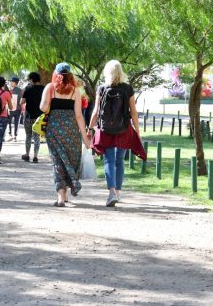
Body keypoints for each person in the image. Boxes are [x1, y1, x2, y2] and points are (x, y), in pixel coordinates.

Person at [89, 60, 142, 207]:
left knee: (109, 160)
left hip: (105, 129)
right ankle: (117, 193)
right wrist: (137, 131)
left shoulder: (102, 88)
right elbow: (134, 112)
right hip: (123, 128)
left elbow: (96, 111)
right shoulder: (127, 88)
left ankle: (111, 192)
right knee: (119, 160)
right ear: (120, 71)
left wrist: (90, 128)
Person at [40, 63, 92, 207]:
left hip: (54, 130)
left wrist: (49, 100)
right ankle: (66, 194)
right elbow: (79, 116)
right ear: (70, 75)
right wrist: (86, 139)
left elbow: (43, 108)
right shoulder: (75, 91)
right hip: (72, 131)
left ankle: (61, 198)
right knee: (70, 159)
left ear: (56, 74)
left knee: (58, 161)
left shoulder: (50, 88)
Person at [20, 72, 45, 163]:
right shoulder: (43, 89)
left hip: (28, 116)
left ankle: (27, 154)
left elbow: (21, 102)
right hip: (39, 117)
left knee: (28, 136)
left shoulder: (28, 88)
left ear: (31, 79)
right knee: (37, 137)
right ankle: (35, 156)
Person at [7, 77, 23, 141]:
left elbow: (21, 100)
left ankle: (14, 136)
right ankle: (11, 135)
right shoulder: (8, 90)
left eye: (12, 82)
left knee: (16, 123)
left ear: (15, 83)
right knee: (9, 122)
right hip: (10, 109)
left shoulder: (19, 90)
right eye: (10, 81)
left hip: (17, 109)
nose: (11, 83)